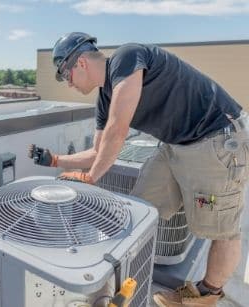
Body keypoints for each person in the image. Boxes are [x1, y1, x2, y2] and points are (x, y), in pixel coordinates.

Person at [28, 32, 249, 306]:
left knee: (221, 229)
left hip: (216, 136)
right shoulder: (105, 99)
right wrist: (54, 160)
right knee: (140, 208)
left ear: (81, 63)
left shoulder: (127, 56)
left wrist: (91, 177)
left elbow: (118, 129)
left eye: (65, 75)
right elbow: (100, 150)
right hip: (175, 144)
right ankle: (123, 278)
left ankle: (208, 293)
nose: (68, 84)